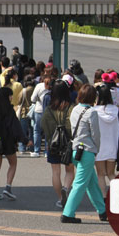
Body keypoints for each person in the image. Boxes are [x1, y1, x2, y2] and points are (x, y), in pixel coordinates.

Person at [61, 84, 107, 224]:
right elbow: (95, 134)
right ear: (93, 97)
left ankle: (102, 211)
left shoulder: (75, 109)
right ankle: (67, 213)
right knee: (80, 184)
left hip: (75, 150)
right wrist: (97, 149)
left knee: (92, 183)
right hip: (87, 151)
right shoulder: (91, 112)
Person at [0, 87, 31, 201]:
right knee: (13, 163)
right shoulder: (9, 110)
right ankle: (8, 187)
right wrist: (25, 140)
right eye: (10, 95)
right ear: (7, 96)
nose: (11, 97)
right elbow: (16, 127)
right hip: (8, 140)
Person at [40, 80, 74, 209]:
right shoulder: (70, 107)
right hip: (68, 144)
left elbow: (43, 124)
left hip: (53, 144)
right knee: (70, 170)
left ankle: (60, 199)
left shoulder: (49, 109)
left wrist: (50, 138)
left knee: (55, 172)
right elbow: (72, 125)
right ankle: (66, 188)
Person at [94, 84, 119, 198]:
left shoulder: (94, 111)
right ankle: (117, 195)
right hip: (112, 146)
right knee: (111, 174)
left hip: (99, 147)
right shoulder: (115, 110)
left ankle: (103, 197)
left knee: (100, 174)